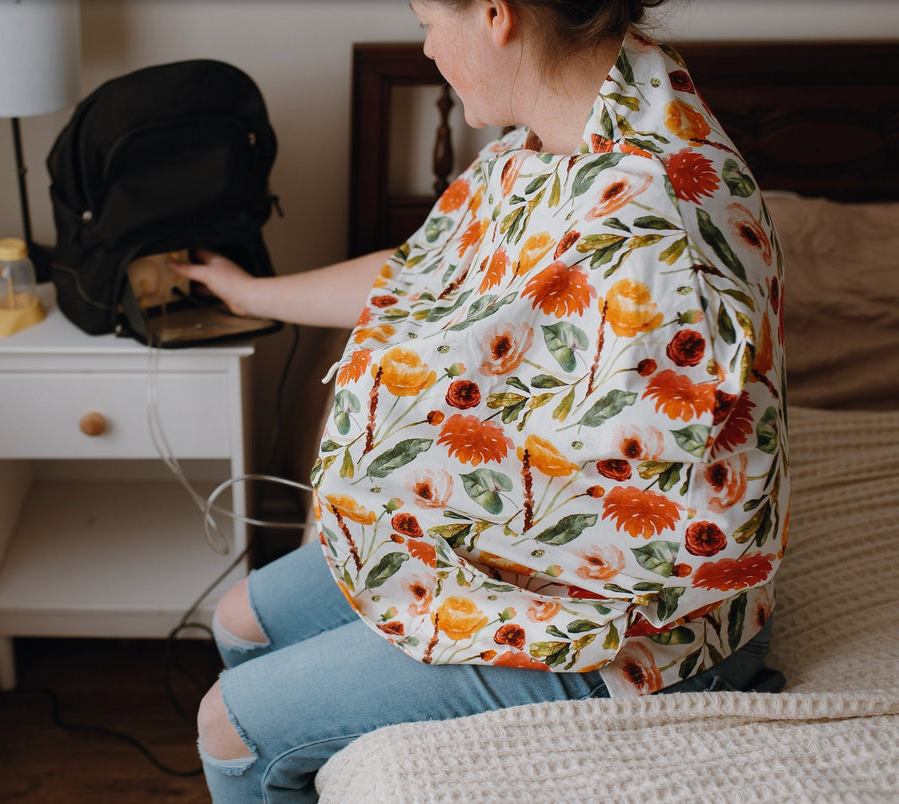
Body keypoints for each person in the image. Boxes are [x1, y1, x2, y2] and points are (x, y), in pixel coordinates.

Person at [173, 1, 788, 800]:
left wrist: (392, 492)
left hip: (638, 631)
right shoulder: (577, 121)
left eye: (429, 19)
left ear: (497, 14)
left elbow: (623, 530)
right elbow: (429, 274)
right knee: (239, 619)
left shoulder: (651, 229)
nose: (426, 47)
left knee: (229, 723)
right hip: (537, 560)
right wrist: (252, 293)